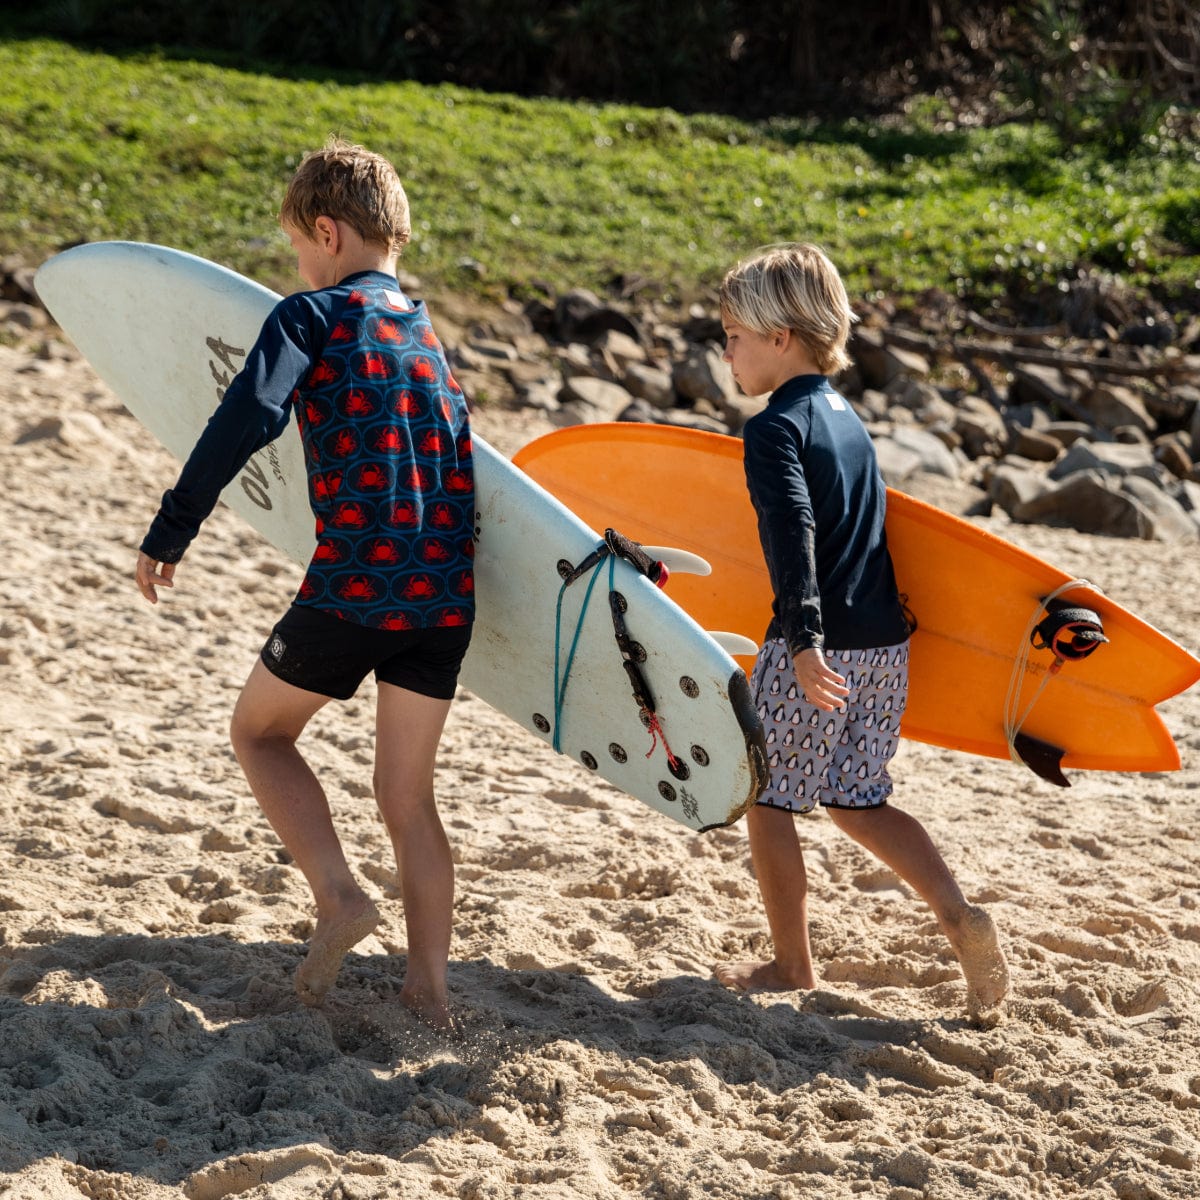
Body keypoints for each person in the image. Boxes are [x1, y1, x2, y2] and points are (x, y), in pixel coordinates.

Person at [135, 138, 475, 1031]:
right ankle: (430, 995)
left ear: (326, 232)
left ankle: (339, 897)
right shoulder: (425, 331)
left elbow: (248, 411)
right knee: (407, 797)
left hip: (356, 585)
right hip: (443, 596)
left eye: (296, 246)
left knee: (259, 733)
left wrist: (175, 524)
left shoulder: (309, 316)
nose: (297, 264)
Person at [712, 243, 1009, 1017]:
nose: (727, 351)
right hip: (884, 642)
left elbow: (793, 530)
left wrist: (804, 641)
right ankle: (957, 913)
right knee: (858, 798)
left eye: (734, 335)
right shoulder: (847, 421)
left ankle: (790, 965)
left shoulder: (774, 428)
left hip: (821, 646)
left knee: (769, 801)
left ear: (781, 337)